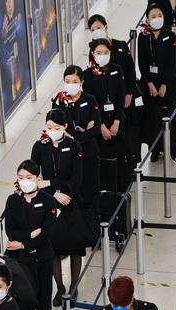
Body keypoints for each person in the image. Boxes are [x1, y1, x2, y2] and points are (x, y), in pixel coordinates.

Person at [31, 109, 84, 307]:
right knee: (53, 248)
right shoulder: (39, 147)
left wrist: (51, 183)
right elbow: (34, 176)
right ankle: (60, 287)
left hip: (71, 201)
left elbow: (77, 180)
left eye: (57, 128)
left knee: (75, 247)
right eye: (49, 127)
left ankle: (73, 287)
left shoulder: (74, 145)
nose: (52, 131)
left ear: (65, 127)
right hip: (49, 202)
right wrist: (53, 193)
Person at [4, 160, 57, 310]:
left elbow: (47, 233)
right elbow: (10, 230)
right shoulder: (12, 201)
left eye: (29, 177)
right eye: (21, 177)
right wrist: (31, 236)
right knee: (25, 301)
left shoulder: (48, 201)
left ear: (37, 178)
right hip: (20, 261)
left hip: (42, 260)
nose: (25, 181)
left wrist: (24, 243)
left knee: (43, 301)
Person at [87, 14, 141, 165]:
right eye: (93, 29)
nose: (96, 31)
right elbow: (93, 82)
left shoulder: (121, 45)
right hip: (107, 104)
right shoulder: (93, 53)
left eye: (98, 27)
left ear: (106, 27)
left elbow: (131, 71)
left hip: (125, 99)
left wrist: (129, 93)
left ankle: (133, 162)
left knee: (130, 131)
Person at [51, 65, 102, 210]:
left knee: (90, 187)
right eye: (67, 81)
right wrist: (85, 131)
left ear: (81, 82)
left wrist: (72, 136)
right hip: (67, 155)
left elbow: (96, 129)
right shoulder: (59, 101)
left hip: (89, 153)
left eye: (74, 81)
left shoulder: (90, 100)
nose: (70, 85)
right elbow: (56, 127)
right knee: (72, 189)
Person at [82, 39, 128, 192]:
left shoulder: (117, 69)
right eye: (98, 53)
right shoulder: (87, 75)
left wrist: (116, 122)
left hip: (116, 123)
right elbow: (91, 103)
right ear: (92, 54)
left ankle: (121, 192)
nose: (102, 56)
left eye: (106, 53)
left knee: (120, 158)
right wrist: (101, 126)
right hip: (99, 127)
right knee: (101, 162)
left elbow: (121, 97)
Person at [138, 3, 176, 162]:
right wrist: (150, 84)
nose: (157, 19)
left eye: (159, 15)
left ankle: (167, 147)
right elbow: (142, 62)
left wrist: (164, 85)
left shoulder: (170, 36)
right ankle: (153, 148)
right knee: (151, 118)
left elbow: (171, 63)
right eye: (153, 16)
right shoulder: (143, 36)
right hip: (149, 85)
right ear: (147, 19)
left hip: (167, 84)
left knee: (167, 116)